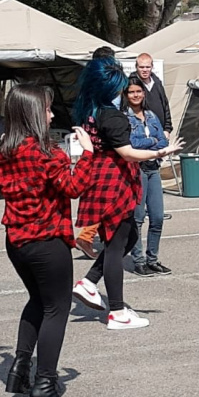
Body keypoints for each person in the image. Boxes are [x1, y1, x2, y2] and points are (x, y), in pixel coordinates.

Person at [0, 85, 94, 397]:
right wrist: (88, 153)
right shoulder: (48, 154)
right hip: (46, 241)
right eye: (48, 110)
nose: (52, 115)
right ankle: (44, 385)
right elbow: (74, 188)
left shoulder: (2, 151)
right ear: (34, 114)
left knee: (38, 302)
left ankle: (19, 369)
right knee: (56, 308)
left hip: (17, 241)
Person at [70, 56, 183, 330]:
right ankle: (117, 312)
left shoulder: (90, 110)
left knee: (128, 235)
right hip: (114, 181)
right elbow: (128, 153)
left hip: (102, 177)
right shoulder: (111, 115)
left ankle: (88, 283)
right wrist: (161, 151)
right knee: (118, 243)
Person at [73, 46, 122, 259]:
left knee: (97, 198)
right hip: (109, 156)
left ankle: (92, 236)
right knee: (107, 201)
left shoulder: (87, 93)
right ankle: (89, 236)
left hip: (95, 150)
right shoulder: (105, 93)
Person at [123, 76, 172, 277]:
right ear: (126, 95)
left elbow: (163, 142)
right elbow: (131, 144)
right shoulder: (124, 117)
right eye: (131, 92)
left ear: (144, 93)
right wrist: (152, 141)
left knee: (158, 216)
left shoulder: (151, 115)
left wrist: (150, 141)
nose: (135, 95)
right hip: (136, 169)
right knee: (138, 217)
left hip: (153, 168)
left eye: (139, 91)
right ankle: (139, 260)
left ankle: (153, 259)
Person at [131, 53, 173, 138]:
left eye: (148, 67)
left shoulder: (157, 83)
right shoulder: (132, 85)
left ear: (152, 67)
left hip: (161, 132)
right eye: (141, 67)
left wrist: (167, 129)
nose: (145, 70)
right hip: (142, 134)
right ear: (136, 67)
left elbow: (165, 105)